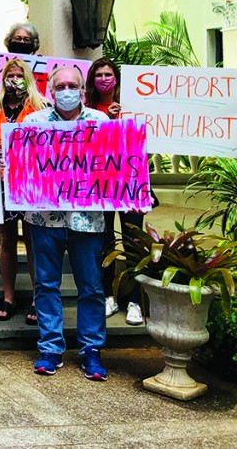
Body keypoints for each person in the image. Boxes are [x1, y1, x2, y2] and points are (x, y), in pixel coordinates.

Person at [22, 65, 109, 381]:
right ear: (51, 91)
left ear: (83, 91)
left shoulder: (101, 123)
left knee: (91, 286)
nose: (67, 91)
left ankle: (92, 351)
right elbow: (25, 167)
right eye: (61, 86)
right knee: (46, 283)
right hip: (45, 219)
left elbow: (115, 166)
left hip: (89, 220)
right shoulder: (33, 124)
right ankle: (50, 348)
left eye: (73, 85)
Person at [0, 58, 46, 325]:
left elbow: (49, 146)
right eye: (10, 75)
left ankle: (35, 298)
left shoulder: (41, 107)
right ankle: (9, 297)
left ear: (27, 78)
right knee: (6, 242)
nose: (15, 80)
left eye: (20, 75)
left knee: (33, 241)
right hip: (1, 183)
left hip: (30, 184)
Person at [85, 58, 144, 326]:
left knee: (134, 241)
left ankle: (134, 300)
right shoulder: (86, 110)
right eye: (99, 74)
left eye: (109, 74)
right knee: (105, 241)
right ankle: (108, 295)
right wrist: (105, 121)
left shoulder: (133, 105)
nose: (104, 79)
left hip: (131, 182)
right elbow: (83, 146)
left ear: (117, 78)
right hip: (101, 184)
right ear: (92, 80)